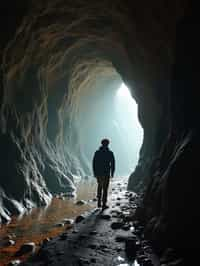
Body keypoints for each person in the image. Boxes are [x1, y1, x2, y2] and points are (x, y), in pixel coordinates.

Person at [92, 138, 115, 209]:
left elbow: (94, 163)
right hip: (106, 173)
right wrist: (112, 173)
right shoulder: (110, 153)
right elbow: (113, 164)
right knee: (105, 188)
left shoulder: (97, 152)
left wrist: (95, 172)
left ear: (101, 144)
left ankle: (99, 202)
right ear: (108, 144)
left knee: (100, 187)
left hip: (99, 173)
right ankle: (104, 204)